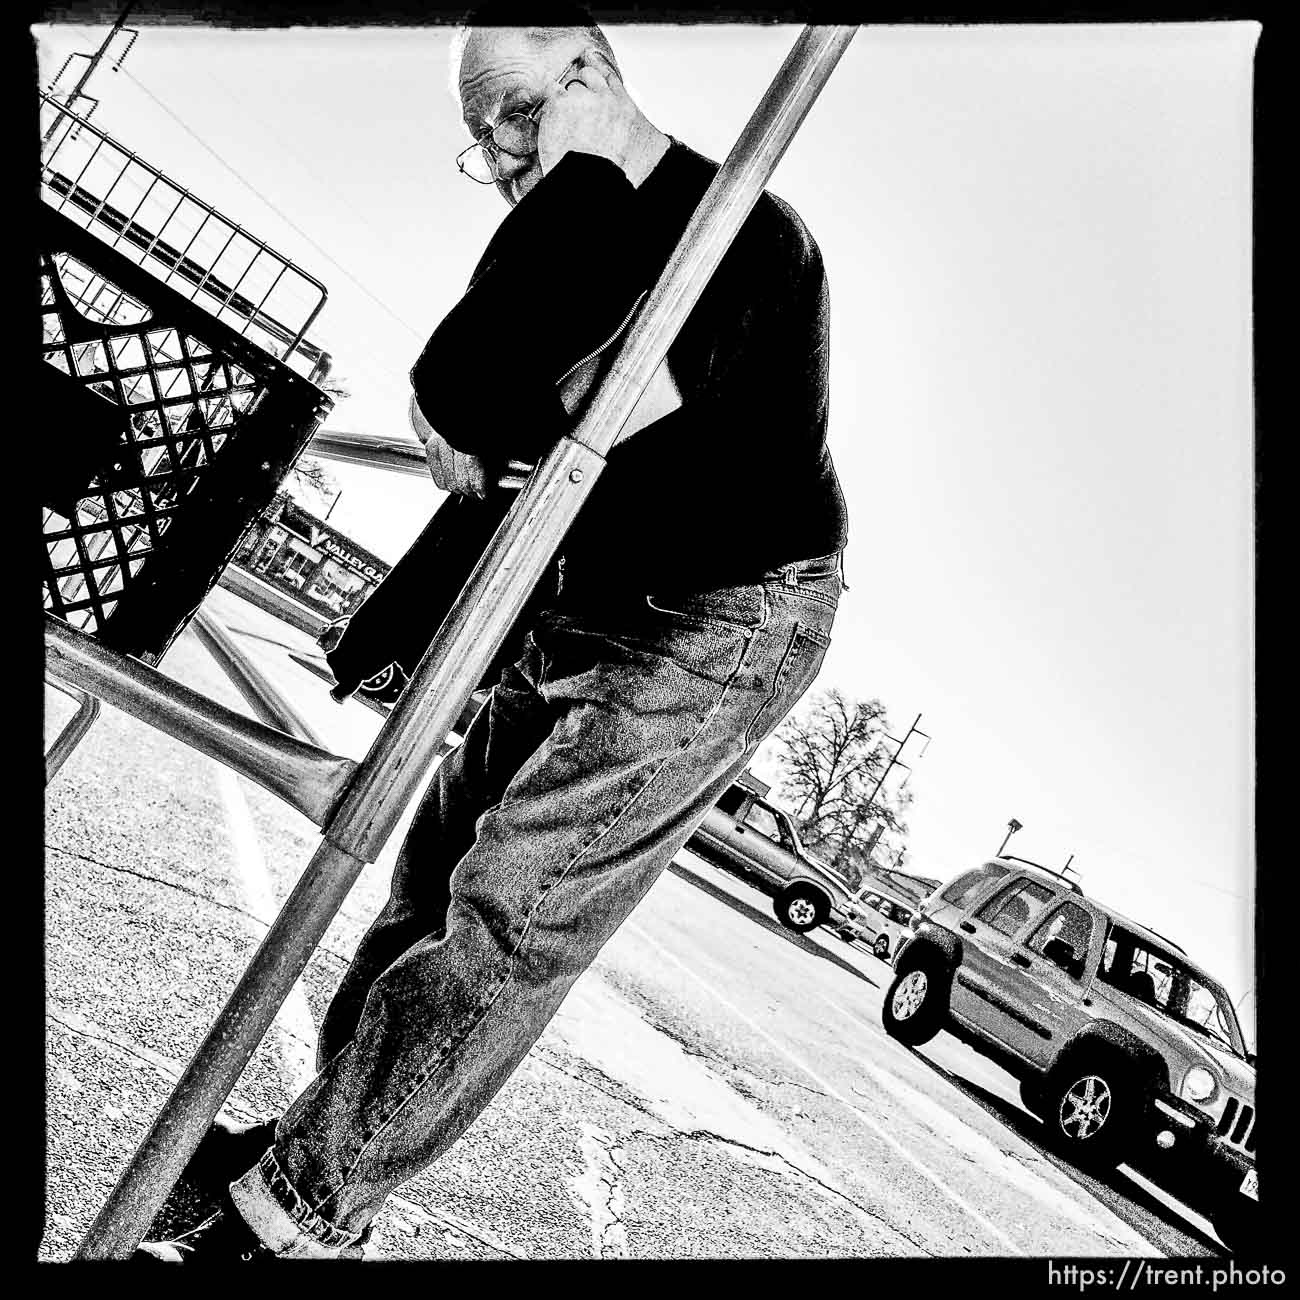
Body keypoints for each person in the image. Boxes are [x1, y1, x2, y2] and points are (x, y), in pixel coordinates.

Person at [139, 11, 848, 1262]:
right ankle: (324, 1163)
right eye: (483, 139)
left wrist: (573, 176)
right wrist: (488, 353)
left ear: (595, 77)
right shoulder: (563, 226)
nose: (506, 155)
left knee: (514, 910)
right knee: (425, 884)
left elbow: (500, 405)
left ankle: (292, 1209)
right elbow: (458, 393)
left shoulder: (742, 236)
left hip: (724, 616)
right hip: (590, 593)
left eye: (520, 113)